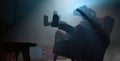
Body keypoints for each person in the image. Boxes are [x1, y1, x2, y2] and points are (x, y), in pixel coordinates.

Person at [44, 5, 115, 61]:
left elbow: (89, 23)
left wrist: (84, 11)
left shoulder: (97, 25)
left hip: (81, 37)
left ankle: (56, 23)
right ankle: (55, 23)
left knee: (72, 29)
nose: (99, 18)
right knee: (70, 28)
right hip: (80, 35)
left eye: (101, 18)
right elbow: (76, 13)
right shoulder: (96, 26)